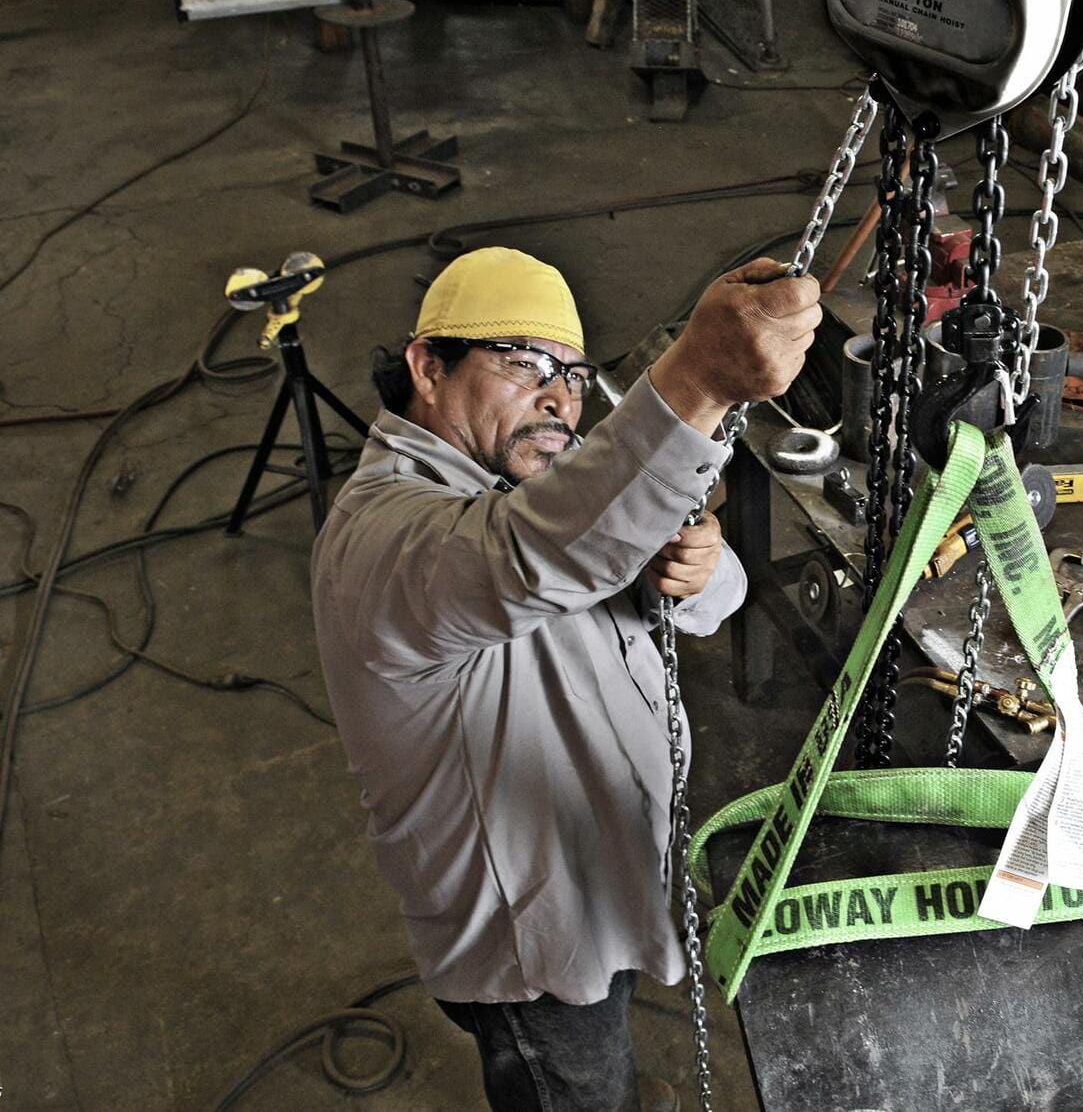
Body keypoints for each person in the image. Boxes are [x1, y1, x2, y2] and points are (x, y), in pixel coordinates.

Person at [311, 246, 821, 1111]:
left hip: (599, 875)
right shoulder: (385, 537)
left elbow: (702, 593)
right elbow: (531, 555)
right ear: (427, 367)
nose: (559, 397)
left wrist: (700, 571)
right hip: (532, 952)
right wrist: (695, 380)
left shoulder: (546, 480)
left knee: (601, 1046)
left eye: (575, 376)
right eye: (523, 364)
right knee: (568, 1070)